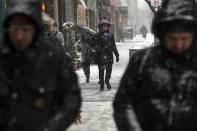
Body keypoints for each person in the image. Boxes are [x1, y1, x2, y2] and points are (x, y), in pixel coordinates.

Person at [113, 0, 197, 131]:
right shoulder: (143, 61)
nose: (178, 45)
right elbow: (124, 103)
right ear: (163, 34)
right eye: (173, 39)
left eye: (184, 38)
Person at [0, 0, 81, 131]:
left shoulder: (54, 57)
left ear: (35, 29)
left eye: (25, 30)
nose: (19, 36)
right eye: (14, 29)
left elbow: (71, 100)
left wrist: (52, 127)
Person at [94, 20, 119, 91]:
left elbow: (113, 45)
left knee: (109, 70)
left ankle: (107, 80)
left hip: (109, 55)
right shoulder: (97, 35)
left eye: (106, 26)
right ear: (100, 27)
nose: (105, 28)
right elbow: (95, 45)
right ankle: (102, 84)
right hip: (101, 56)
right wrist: (99, 49)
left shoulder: (111, 35)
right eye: (103, 26)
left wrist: (117, 55)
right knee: (101, 70)